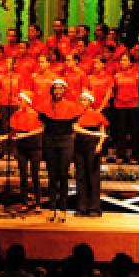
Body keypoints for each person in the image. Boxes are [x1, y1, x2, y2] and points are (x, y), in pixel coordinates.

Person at [34, 79, 103, 223]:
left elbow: (75, 128)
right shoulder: (45, 106)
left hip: (65, 141)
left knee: (63, 175)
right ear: (52, 90)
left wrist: (96, 134)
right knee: (52, 176)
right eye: (55, 88)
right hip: (49, 141)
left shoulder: (72, 107)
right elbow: (42, 126)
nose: (58, 91)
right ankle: (52, 209)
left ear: (65, 90)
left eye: (61, 88)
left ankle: (63, 210)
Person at [74, 92, 109, 217]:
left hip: (92, 145)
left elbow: (102, 131)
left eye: (84, 100)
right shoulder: (76, 115)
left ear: (90, 102)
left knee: (93, 176)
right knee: (80, 176)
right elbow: (74, 129)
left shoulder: (97, 114)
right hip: (79, 144)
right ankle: (81, 207)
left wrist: (99, 144)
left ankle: (94, 207)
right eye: (81, 100)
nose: (82, 102)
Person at [8, 92, 44, 213]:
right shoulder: (16, 115)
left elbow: (40, 129)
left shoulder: (36, 115)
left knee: (35, 175)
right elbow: (14, 132)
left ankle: (38, 202)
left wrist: (25, 134)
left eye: (20, 100)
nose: (18, 102)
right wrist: (2, 138)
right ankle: (24, 202)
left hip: (35, 146)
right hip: (21, 147)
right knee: (23, 175)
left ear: (27, 101)